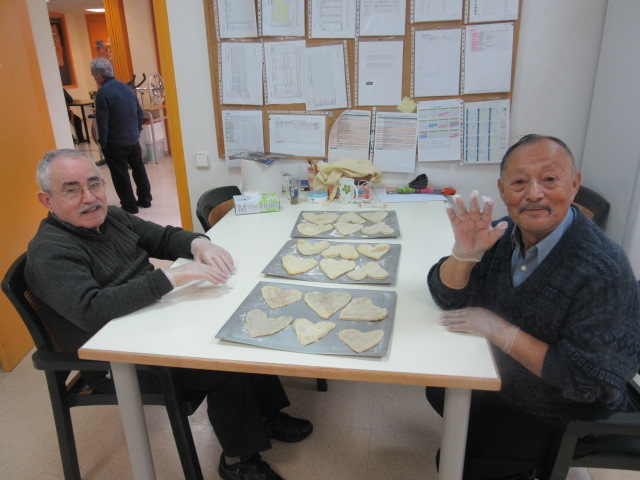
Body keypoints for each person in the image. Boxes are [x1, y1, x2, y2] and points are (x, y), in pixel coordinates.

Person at [25, 149, 312, 480]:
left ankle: (266, 416)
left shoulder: (112, 217)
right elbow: (93, 310)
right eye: (72, 190)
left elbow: (162, 237)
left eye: (94, 184)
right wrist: (171, 277)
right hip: (114, 358)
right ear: (47, 200)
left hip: (147, 322)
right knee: (223, 362)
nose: (89, 198)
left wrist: (199, 244)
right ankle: (239, 460)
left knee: (241, 325)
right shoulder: (50, 252)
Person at [426, 134, 640, 480]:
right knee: (441, 388)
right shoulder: (507, 233)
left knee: (459, 464)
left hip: (563, 412)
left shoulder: (602, 269)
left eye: (549, 179)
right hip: (508, 380)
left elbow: (590, 382)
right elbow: (448, 296)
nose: (534, 194)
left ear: (574, 184)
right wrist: (464, 254)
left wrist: (502, 332)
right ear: (503, 190)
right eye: (519, 182)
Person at [89, 57, 151, 214]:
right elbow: (139, 112)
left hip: (115, 142)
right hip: (132, 139)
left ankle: (129, 205)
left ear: (98, 76)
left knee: (120, 174)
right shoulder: (126, 88)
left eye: (94, 77)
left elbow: (102, 120)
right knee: (139, 169)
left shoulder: (103, 92)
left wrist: (103, 141)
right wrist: (137, 130)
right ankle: (145, 199)